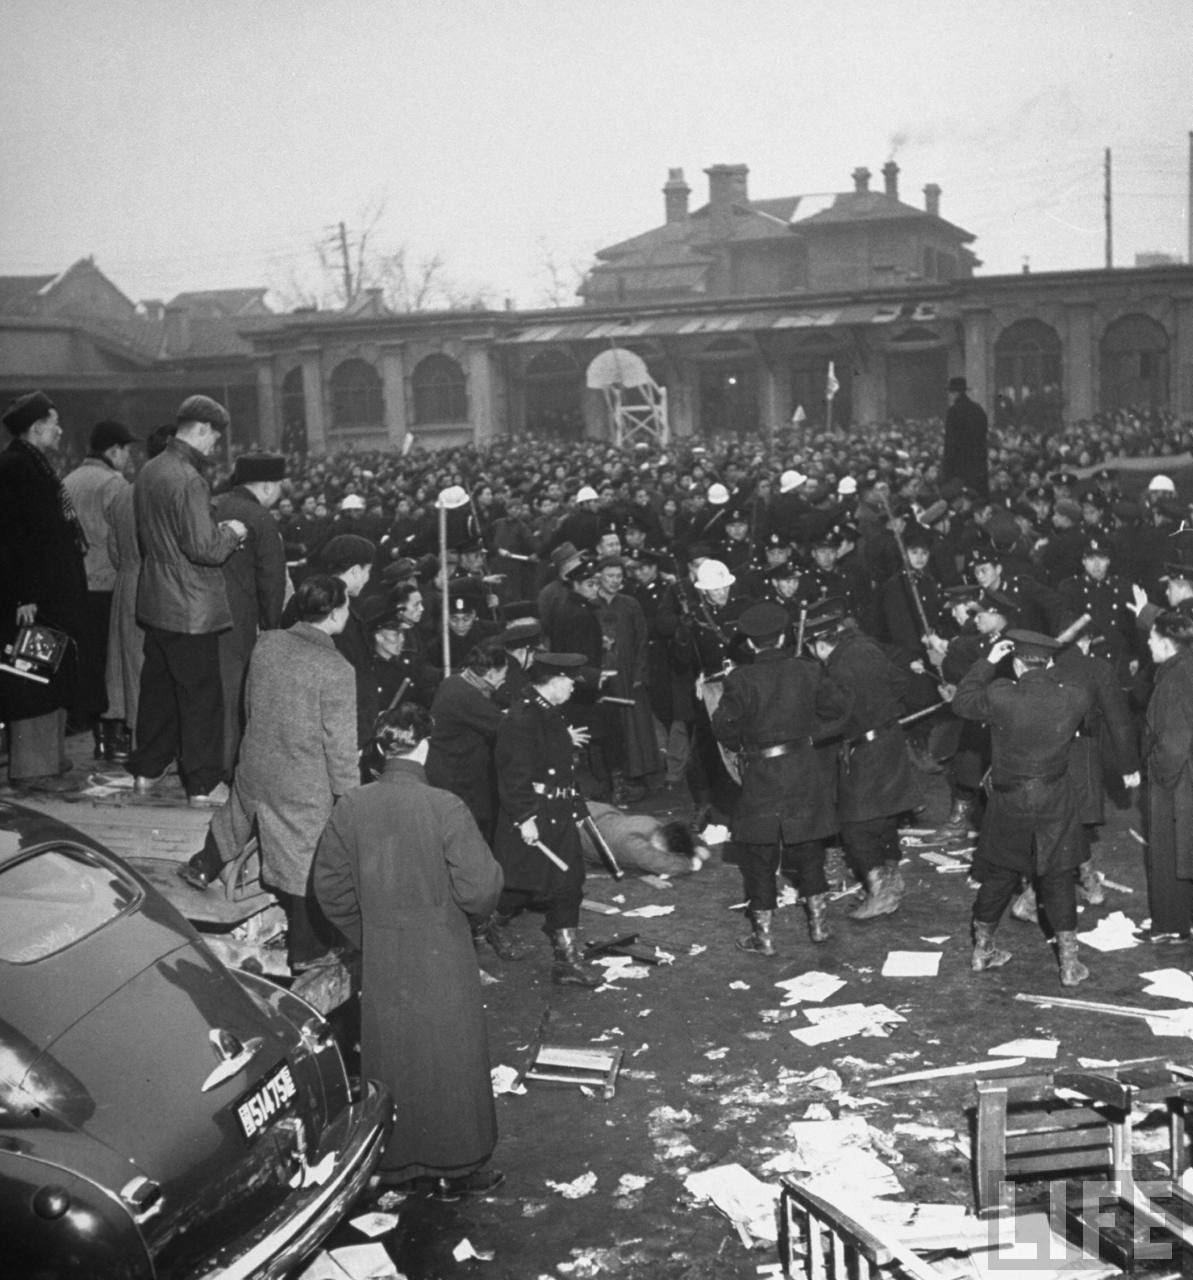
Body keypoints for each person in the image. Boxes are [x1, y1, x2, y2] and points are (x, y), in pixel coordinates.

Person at [314, 702, 504, 1199]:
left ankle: (396, 1164)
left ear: (381, 748)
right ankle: (456, 1168)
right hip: (443, 951)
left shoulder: (351, 806)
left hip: (383, 956)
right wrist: (458, 920)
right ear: (424, 747)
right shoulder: (445, 806)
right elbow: (481, 889)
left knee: (394, 1059)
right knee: (450, 1057)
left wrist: (369, 935)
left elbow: (330, 889)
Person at [178, 575, 358, 970]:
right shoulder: (337, 668)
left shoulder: (268, 643)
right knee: (306, 853)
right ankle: (307, 950)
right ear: (333, 614)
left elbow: (249, 705)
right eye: (346, 605)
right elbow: (340, 745)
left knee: (238, 813)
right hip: (302, 779)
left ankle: (203, 866)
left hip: (257, 760)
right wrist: (348, 793)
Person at [951, 629, 1093, 986]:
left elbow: (962, 701)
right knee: (1058, 875)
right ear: (1049, 662)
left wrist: (988, 662)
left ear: (1015, 664)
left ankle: (983, 950)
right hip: (1054, 798)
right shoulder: (1074, 696)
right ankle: (1069, 965)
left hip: (1009, 799)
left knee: (1000, 873)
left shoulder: (1001, 695)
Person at [710, 601, 851, 953]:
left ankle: (764, 936)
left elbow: (723, 729)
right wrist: (809, 736)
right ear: (784, 637)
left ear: (750, 643)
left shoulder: (740, 679)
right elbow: (838, 710)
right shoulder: (809, 669)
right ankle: (819, 926)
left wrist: (746, 745)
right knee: (809, 848)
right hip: (802, 767)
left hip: (761, 773)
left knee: (760, 855)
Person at [127, 394, 246, 806]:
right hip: (191, 605)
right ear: (202, 429)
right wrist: (232, 532)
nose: (216, 445)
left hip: (156, 598)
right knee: (201, 697)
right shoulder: (191, 479)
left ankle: (147, 771)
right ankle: (203, 784)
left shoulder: (150, 469)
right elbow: (204, 549)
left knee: (158, 691)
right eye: (215, 437)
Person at [491, 651, 600, 987]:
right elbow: (512, 773)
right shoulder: (522, 717)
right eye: (570, 681)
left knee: (568, 883)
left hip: (557, 811)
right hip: (533, 814)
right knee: (520, 886)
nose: (573, 687)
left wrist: (576, 806)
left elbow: (559, 767)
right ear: (554, 680)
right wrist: (525, 817)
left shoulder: (548, 712)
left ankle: (566, 961)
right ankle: (489, 922)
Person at [0, 391, 89, 793]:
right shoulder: (16, 467)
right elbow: (12, 538)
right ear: (36, 427)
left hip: (48, 596)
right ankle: (33, 769)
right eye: (54, 423)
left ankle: (50, 761)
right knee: (32, 677)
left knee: (50, 675)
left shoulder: (31, 463)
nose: (60, 430)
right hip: (33, 601)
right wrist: (24, 595)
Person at [809, 611, 919, 920]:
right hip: (891, 739)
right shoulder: (866, 648)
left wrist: (809, 734)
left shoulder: (835, 670)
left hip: (865, 749)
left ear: (819, 645)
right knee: (884, 814)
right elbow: (900, 681)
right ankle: (893, 882)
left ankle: (880, 891)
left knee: (854, 824)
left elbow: (836, 718)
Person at [62, 418, 138, 761]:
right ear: (114, 450)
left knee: (86, 661)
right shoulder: (114, 484)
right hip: (107, 584)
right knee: (111, 663)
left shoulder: (67, 481)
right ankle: (110, 736)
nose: (128, 458)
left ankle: (90, 728)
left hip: (75, 586)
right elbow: (125, 538)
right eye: (126, 450)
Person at [213, 452, 288, 775]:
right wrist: (271, 627)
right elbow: (272, 580)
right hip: (238, 620)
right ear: (268, 486)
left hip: (200, 615)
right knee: (233, 699)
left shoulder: (212, 505)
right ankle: (225, 771)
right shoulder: (260, 517)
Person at [1140, 611, 1193, 942]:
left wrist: (1158, 773)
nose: (1148, 643)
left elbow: (1173, 742)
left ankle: (1172, 925)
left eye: (1152, 638)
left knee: (1169, 851)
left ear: (1166, 643)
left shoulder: (1172, 681)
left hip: (1177, 782)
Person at [942, 375, 989, 498]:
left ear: (956, 393)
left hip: (960, 466)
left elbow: (950, 443)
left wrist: (947, 470)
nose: (950, 395)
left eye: (951, 392)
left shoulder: (953, 411)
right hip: (978, 464)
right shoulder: (978, 409)